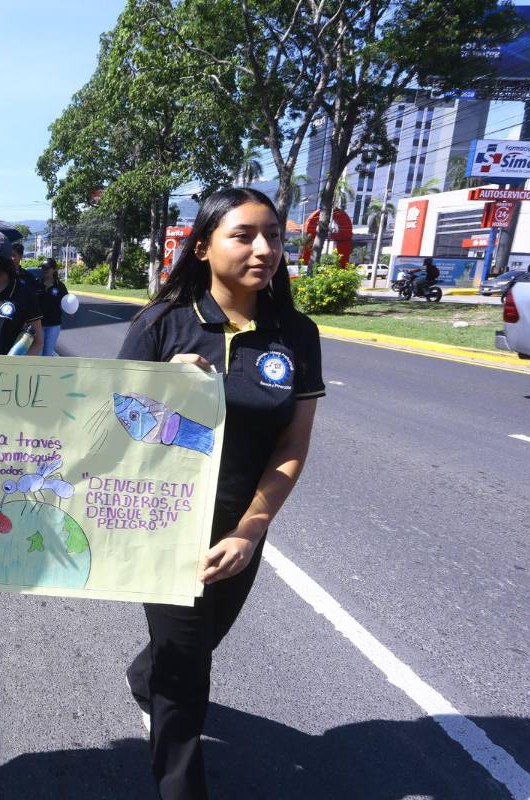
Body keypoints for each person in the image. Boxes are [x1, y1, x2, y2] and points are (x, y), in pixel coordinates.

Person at [118, 188, 323, 799]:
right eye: (245, 235)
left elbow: (292, 445)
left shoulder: (296, 334)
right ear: (203, 247)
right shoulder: (159, 325)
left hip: (239, 531)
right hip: (165, 526)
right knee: (186, 678)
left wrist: (250, 529)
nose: (265, 249)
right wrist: (167, 393)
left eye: (276, 237)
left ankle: (141, 674)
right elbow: (108, 431)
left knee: (196, 645)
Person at [38, 258, 68, 356]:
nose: (44, 270)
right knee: (38, 353)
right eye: (43, 268)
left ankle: (44, 371)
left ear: (54, 270)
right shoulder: (36, 284)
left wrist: (69, 311)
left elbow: (66, 303)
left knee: (47, 353)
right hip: (38, 325)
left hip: (54, 325)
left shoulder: (60, 286)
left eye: (47, 268)